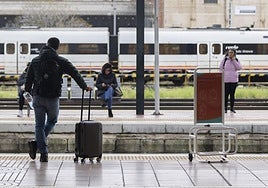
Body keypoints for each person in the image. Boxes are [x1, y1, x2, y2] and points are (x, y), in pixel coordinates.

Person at [25, 37, 92, 162]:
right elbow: (75, 73)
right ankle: (36, 144)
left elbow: (28, 80)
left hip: (38, 97)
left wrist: (27, 95)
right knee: (52, 121)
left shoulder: (35, 61)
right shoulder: (61, 61)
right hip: (53, 98)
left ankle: (43, 152)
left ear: (46, 45)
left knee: (39, 125)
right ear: (57, 47)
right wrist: (84, 86)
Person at [219, 49, 242, 113]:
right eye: (229, 52)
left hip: (234, 80)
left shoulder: (236, 60)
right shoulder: (225, 60)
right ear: (227, 53)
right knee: (225, 95)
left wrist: (234, 60)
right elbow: (220, 68)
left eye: (232, 52)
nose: (230, 54)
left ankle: (232, 108)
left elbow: (239, 68)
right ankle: (225, 108)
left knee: (232, 94)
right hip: (225, 80)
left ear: (234, 53)